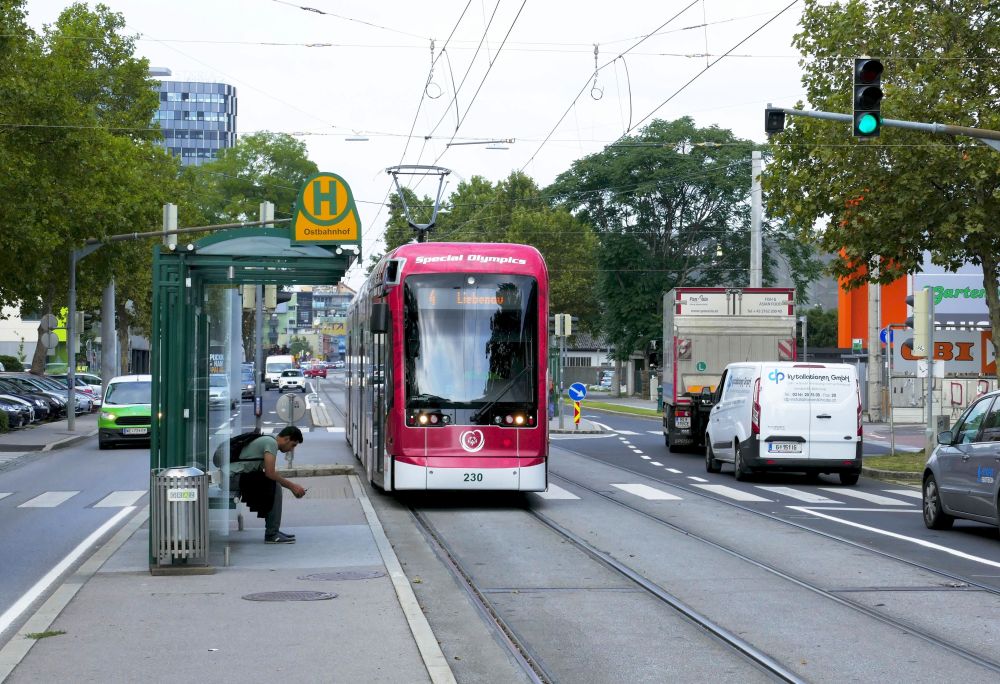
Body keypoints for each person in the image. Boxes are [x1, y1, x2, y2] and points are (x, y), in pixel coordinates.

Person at [229, 426, 306, 544]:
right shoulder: (271, 443)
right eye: (293, 445)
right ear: (286, 439)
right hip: (232, 478)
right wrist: (292, 486)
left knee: (271, 486)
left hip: (234, 477)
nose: (291, 449)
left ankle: (273, 530)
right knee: (275, 487)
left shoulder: (268, 440)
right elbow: (270, 473)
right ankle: (272, 534)